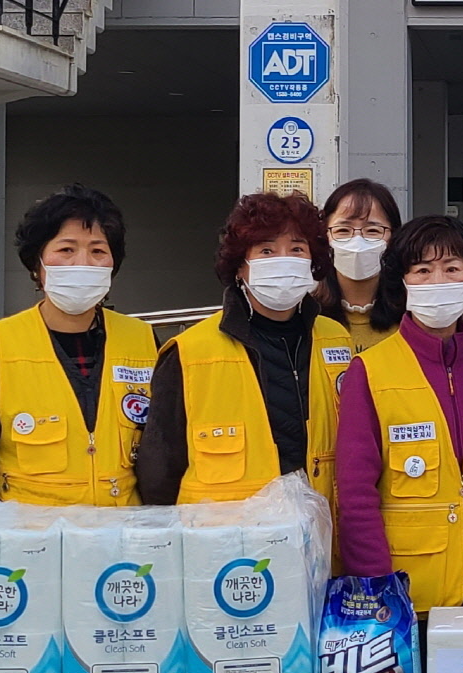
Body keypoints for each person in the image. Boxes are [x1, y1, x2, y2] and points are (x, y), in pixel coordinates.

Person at [334, 217, 463, 607]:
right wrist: (378, 588)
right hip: (410, 593)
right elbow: (355, 494)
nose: (438, 281)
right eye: (422, 270)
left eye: (452, 268)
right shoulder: (370, 370)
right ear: (402, 283)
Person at [136, 191, 353, 506]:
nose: (283, 261)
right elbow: (160, 472)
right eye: (266, 250)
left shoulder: (337, 340)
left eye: (296, 249)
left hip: (323, 535)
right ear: (240, 267)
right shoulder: (190, 351)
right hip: (230, 546)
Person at [0, 185, 155, 505]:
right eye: (66, 249)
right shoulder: (0, 343)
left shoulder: (143, 340)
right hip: (29, 540)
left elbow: (165, 450)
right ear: (37, 265)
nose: (82, 263)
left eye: (98, 251)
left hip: (123, 538)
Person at [320, 178, 403, 352]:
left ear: (393, 237)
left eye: (372, 231)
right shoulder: (307, 314)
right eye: (343, 230)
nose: (357, 241)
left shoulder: (411, 317)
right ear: (325, 236)